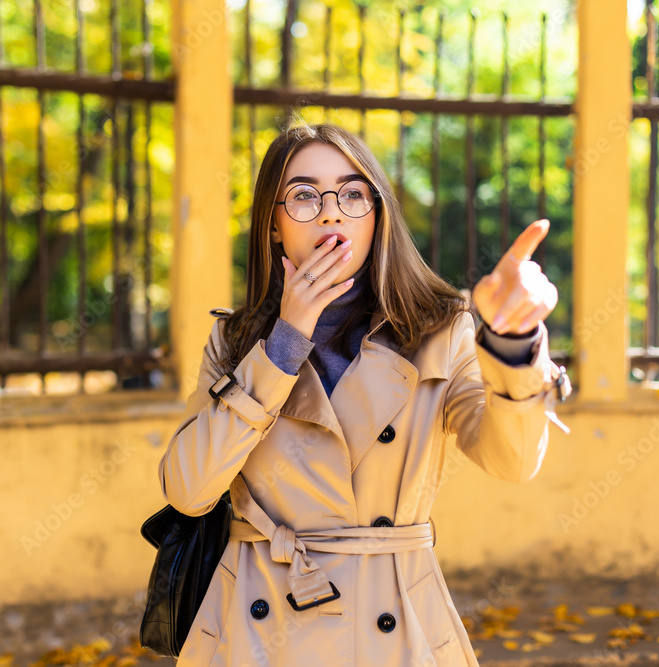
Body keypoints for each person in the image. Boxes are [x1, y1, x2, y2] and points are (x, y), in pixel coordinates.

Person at [159, 122, 569, 666]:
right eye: (304, 195)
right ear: (273, 226)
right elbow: (188, 491)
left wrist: (512, 344)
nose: (331, 213)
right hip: (258, 635)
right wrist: (283, 344)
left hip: (394, 627)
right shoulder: (236, 340)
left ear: (377, 217)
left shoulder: (439, 330)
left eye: (352, 194)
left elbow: (511, 459)